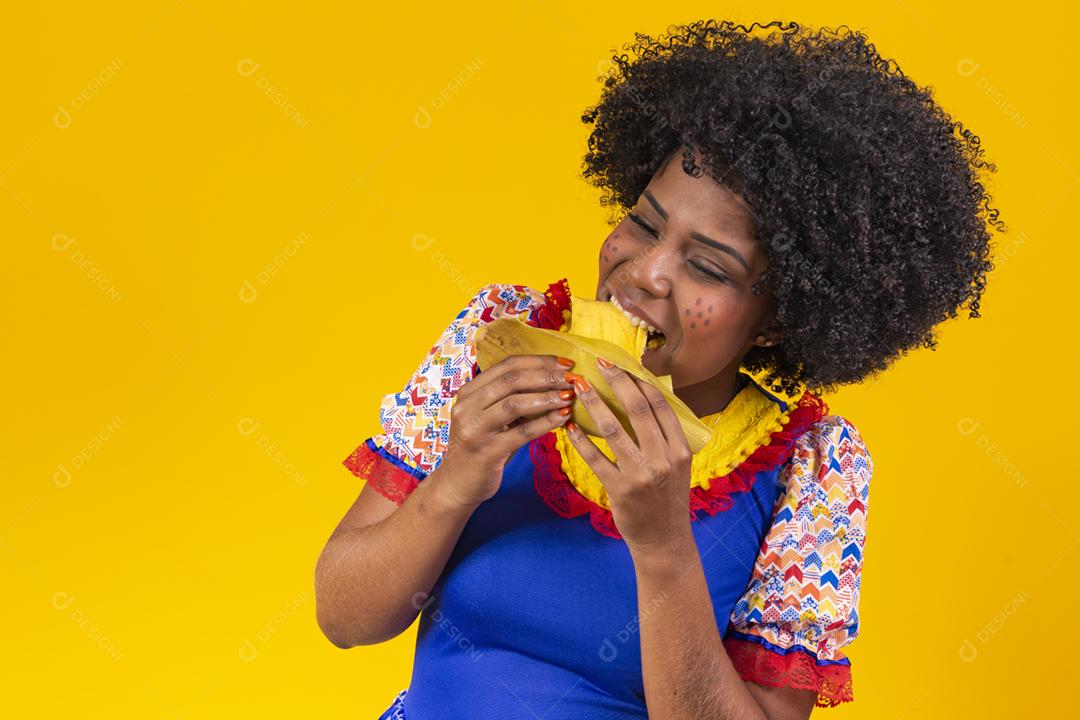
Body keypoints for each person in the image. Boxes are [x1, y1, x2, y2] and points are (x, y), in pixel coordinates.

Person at [315, 19, 1001, 719]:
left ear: (780, 321)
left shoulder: (814, 468)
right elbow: (344, 618)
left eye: (707, 266)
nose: (644, 273)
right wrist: (457, 477)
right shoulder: (499, 338)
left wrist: (665, 543)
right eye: (644, 223)